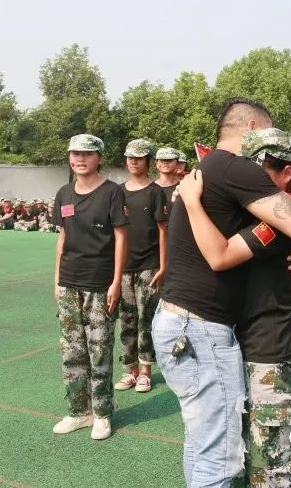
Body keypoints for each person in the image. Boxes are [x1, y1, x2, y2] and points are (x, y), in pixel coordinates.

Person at [152, 97, 291, 487]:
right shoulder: (232, 169)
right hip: (201, 327)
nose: (258, 171)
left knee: (213, 447)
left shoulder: (211, 172)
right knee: (220, 455)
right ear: (251, 130)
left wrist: (191, 201)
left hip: (221, 332)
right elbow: (223, 255)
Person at [52, 133, 128, 441]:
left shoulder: (112, 193)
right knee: (72, 351)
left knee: (99, 351)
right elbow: (62, 238)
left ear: (99, 158)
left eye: (87, 153)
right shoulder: (63, 193)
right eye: (75, 153)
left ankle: (102, 413)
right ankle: (78, 411)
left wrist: (116, 282)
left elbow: (121, 238)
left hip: (99, 283)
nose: (80, 159)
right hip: (69, 282)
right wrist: (57, 280)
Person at [115, 138, 167, 395]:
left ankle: (146, 370)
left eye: (138, 158)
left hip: (148, 265)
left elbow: (163, 231)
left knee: (146, 318)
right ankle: (131, 369)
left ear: (148, 161)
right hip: (123, 266)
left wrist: (163, 266)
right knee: (126, 319)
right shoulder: (117, 192)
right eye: (129, 157)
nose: (133, 162)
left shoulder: (155, 192)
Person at [154, 147, 182, 215]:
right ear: (156, 163)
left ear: (178, 164)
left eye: (169, 160)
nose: (165, 162)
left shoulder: (183, 187)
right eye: (162, 160)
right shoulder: (149, 188)